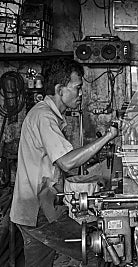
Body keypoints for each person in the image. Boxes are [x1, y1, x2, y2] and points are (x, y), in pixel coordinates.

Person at [10, 58, 119, 267]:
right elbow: (67, 162)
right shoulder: (44, 117)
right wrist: (108, 136)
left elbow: (56, 164)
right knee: (97, 250)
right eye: (77, 88)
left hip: (29, 210)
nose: (80, 94)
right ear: (60, 89)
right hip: (40, 210)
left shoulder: (47, 114)